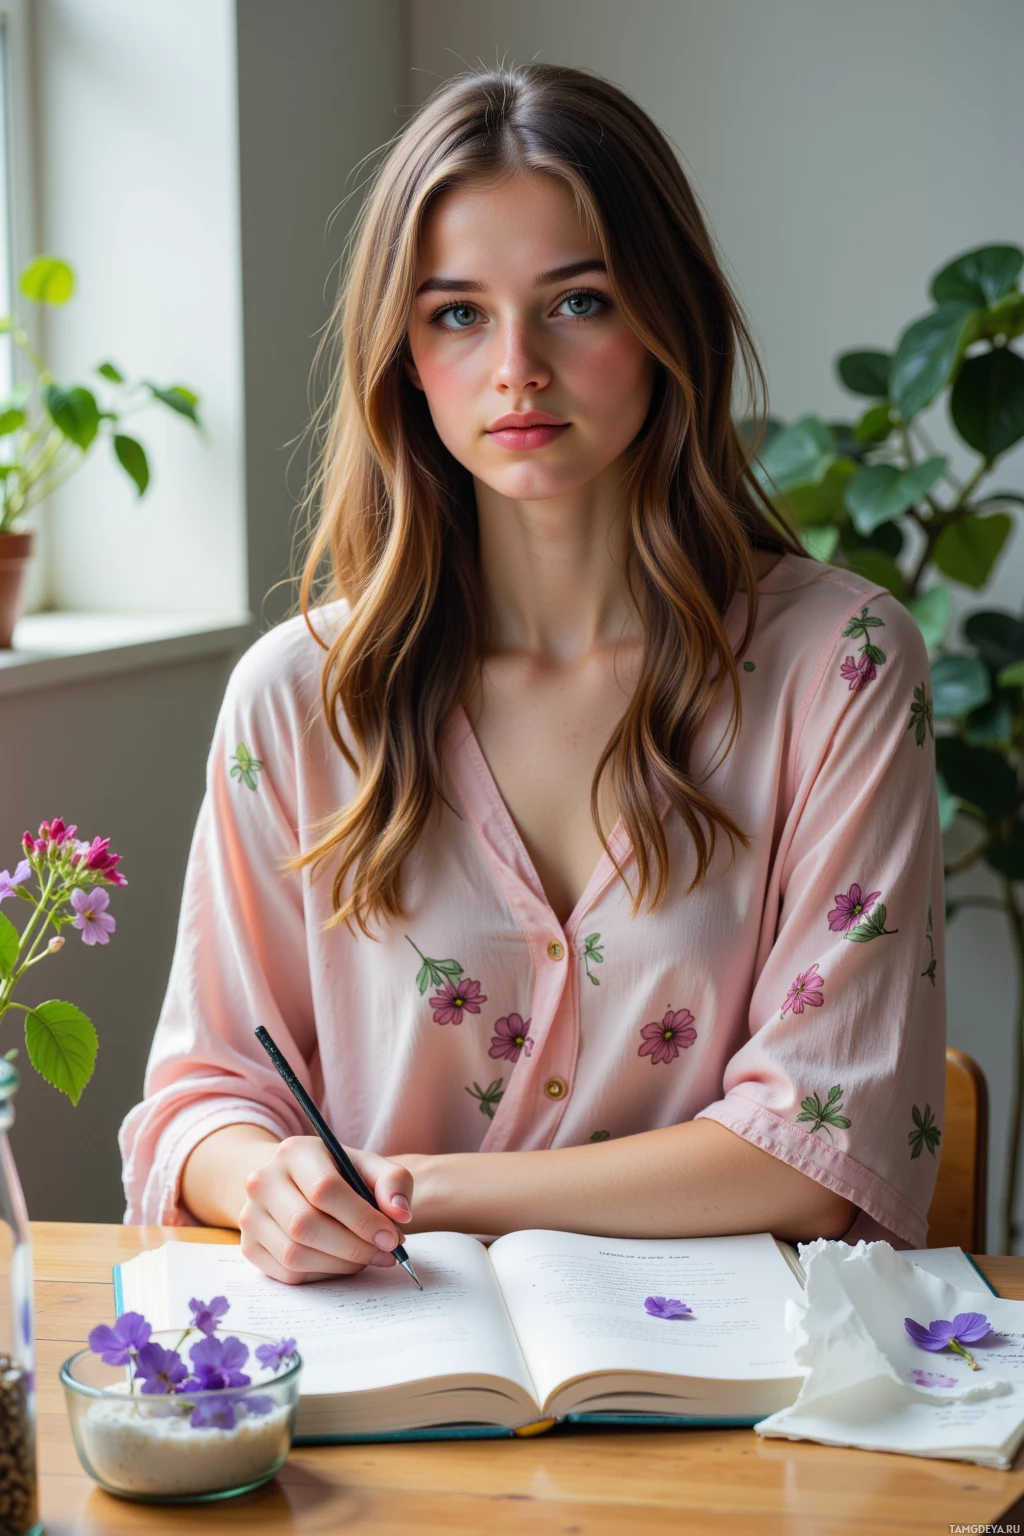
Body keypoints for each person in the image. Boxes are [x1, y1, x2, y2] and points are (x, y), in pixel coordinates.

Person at [120, 63, 945, 1283]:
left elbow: (814, 1150)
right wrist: (273, 1181)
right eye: (457, 313)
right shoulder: (301, 697)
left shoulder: (843, 667)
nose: (516, 367)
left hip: (738, 1421)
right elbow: (203, 1095)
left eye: (577, 301)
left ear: (668, 321)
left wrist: (411, 1191)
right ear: (401, 353)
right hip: (388, 1390)